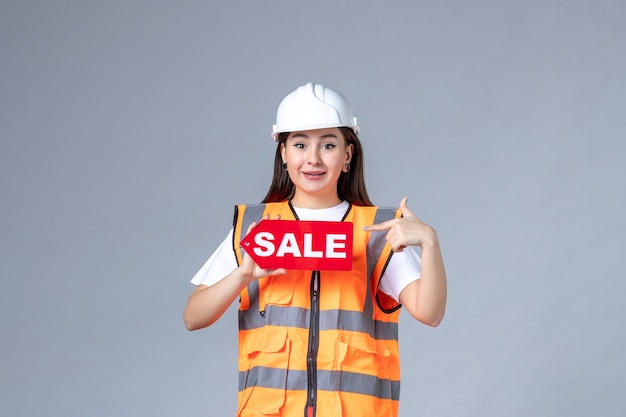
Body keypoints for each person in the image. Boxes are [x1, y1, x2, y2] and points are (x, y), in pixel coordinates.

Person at [184, 82, 447, 417]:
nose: (313, 159)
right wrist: (243, 274)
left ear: (347, 154)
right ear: (283, 153)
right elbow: (193, 317)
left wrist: (429, 242)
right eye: (299, 144)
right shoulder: (255, 228)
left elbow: (431, 313)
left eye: (327, 144)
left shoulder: (377, 233)